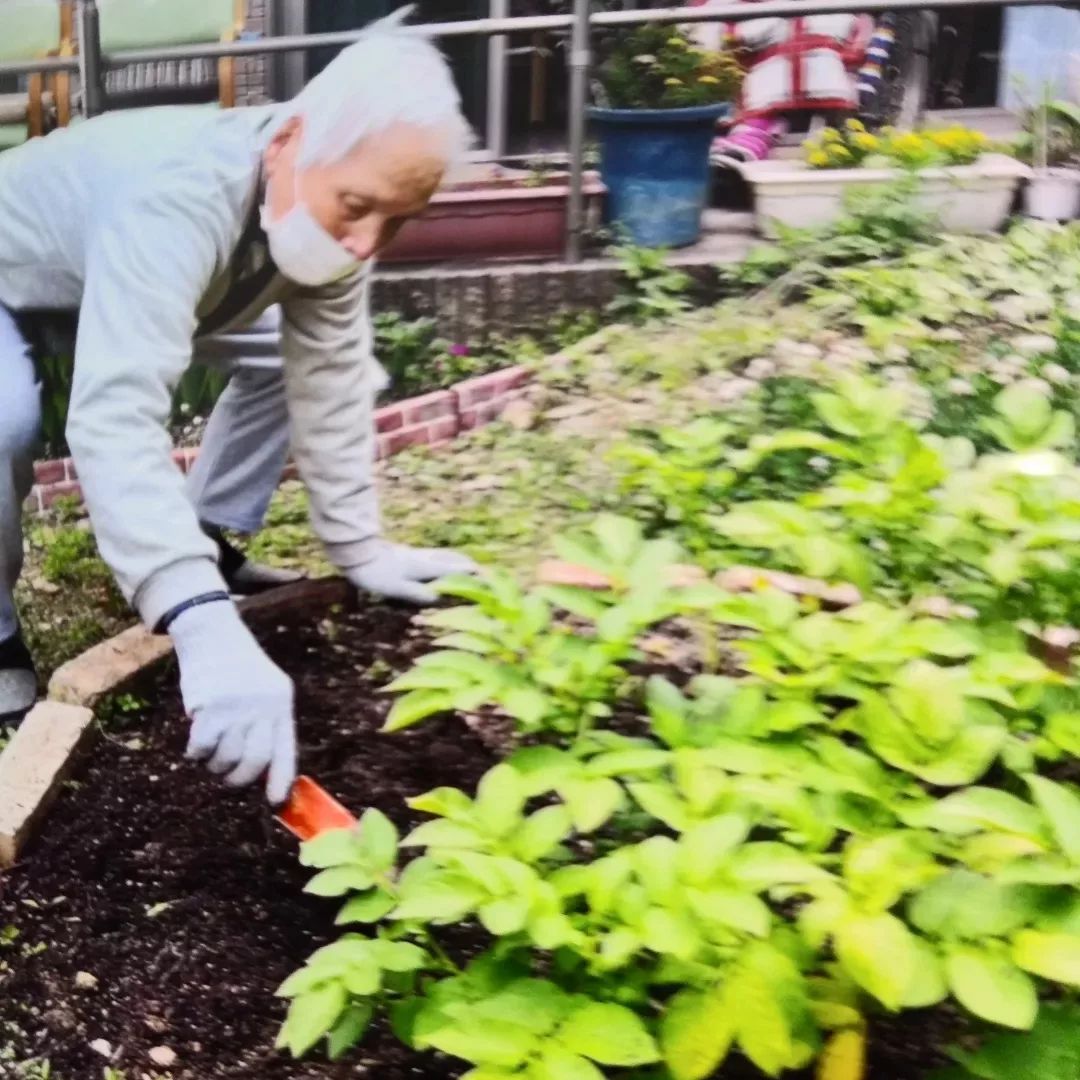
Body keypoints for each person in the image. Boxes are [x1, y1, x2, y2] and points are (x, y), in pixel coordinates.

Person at [0, 9, 477, 806]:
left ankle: (208, 535)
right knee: (5, 418)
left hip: (107, 268)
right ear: (288, 141)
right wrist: (198, 621)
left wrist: (361, 550)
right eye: (356, 206)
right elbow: (114, 419)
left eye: (396, 221)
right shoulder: (178, 196)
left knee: (281, 364)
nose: (366, 242)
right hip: (13, 271)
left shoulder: (327, 212)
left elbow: (326, 375)